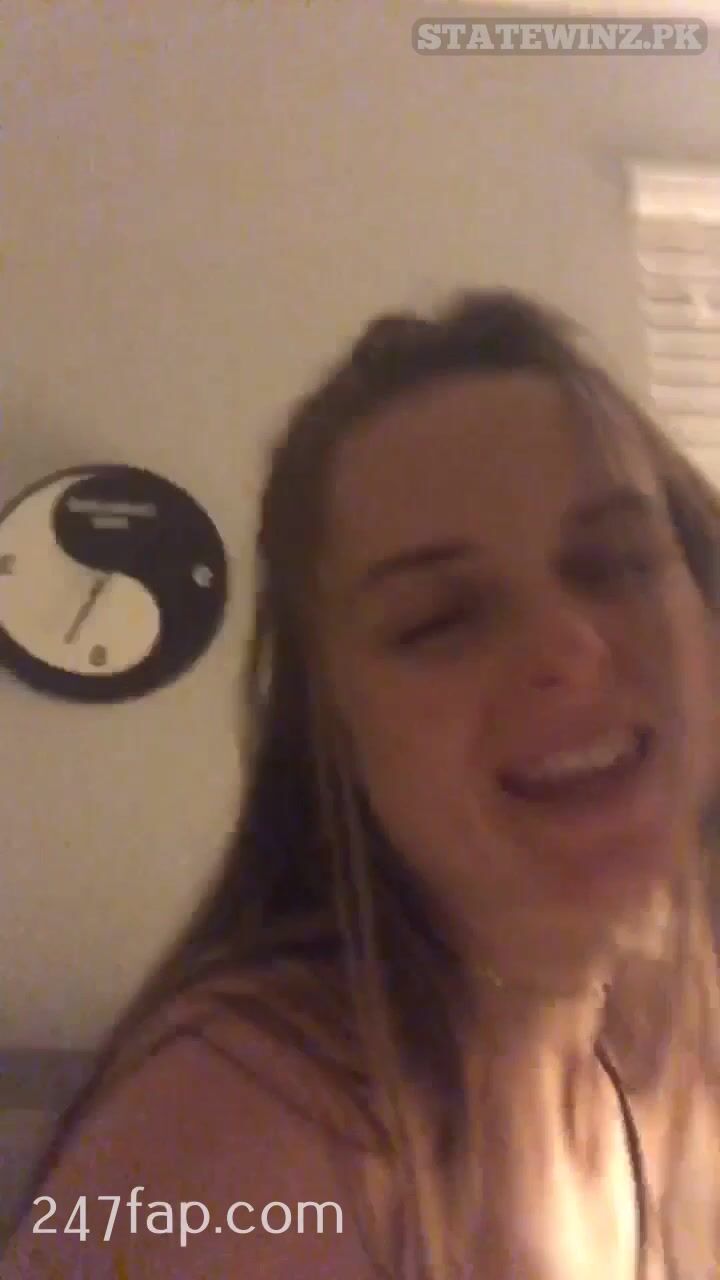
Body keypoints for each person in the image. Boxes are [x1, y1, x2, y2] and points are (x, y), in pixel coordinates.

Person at [3, 288, 720, 1280]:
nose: (569, 646)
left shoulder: (666, 1021)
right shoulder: (239, 1119)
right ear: (335, 731)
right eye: (438, 619)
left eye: (614, 562)